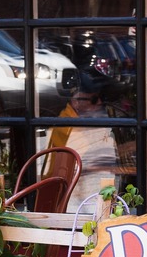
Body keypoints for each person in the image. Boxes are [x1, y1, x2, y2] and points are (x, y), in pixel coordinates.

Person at [48, 68, 122, 210]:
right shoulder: (73, 127)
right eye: (94, 99)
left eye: (100, 98)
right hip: (72, 197)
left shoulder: (74, 120)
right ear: (76, 101)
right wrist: (131, 146)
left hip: (71, 188)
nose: (100, 102)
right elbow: (91, 157)